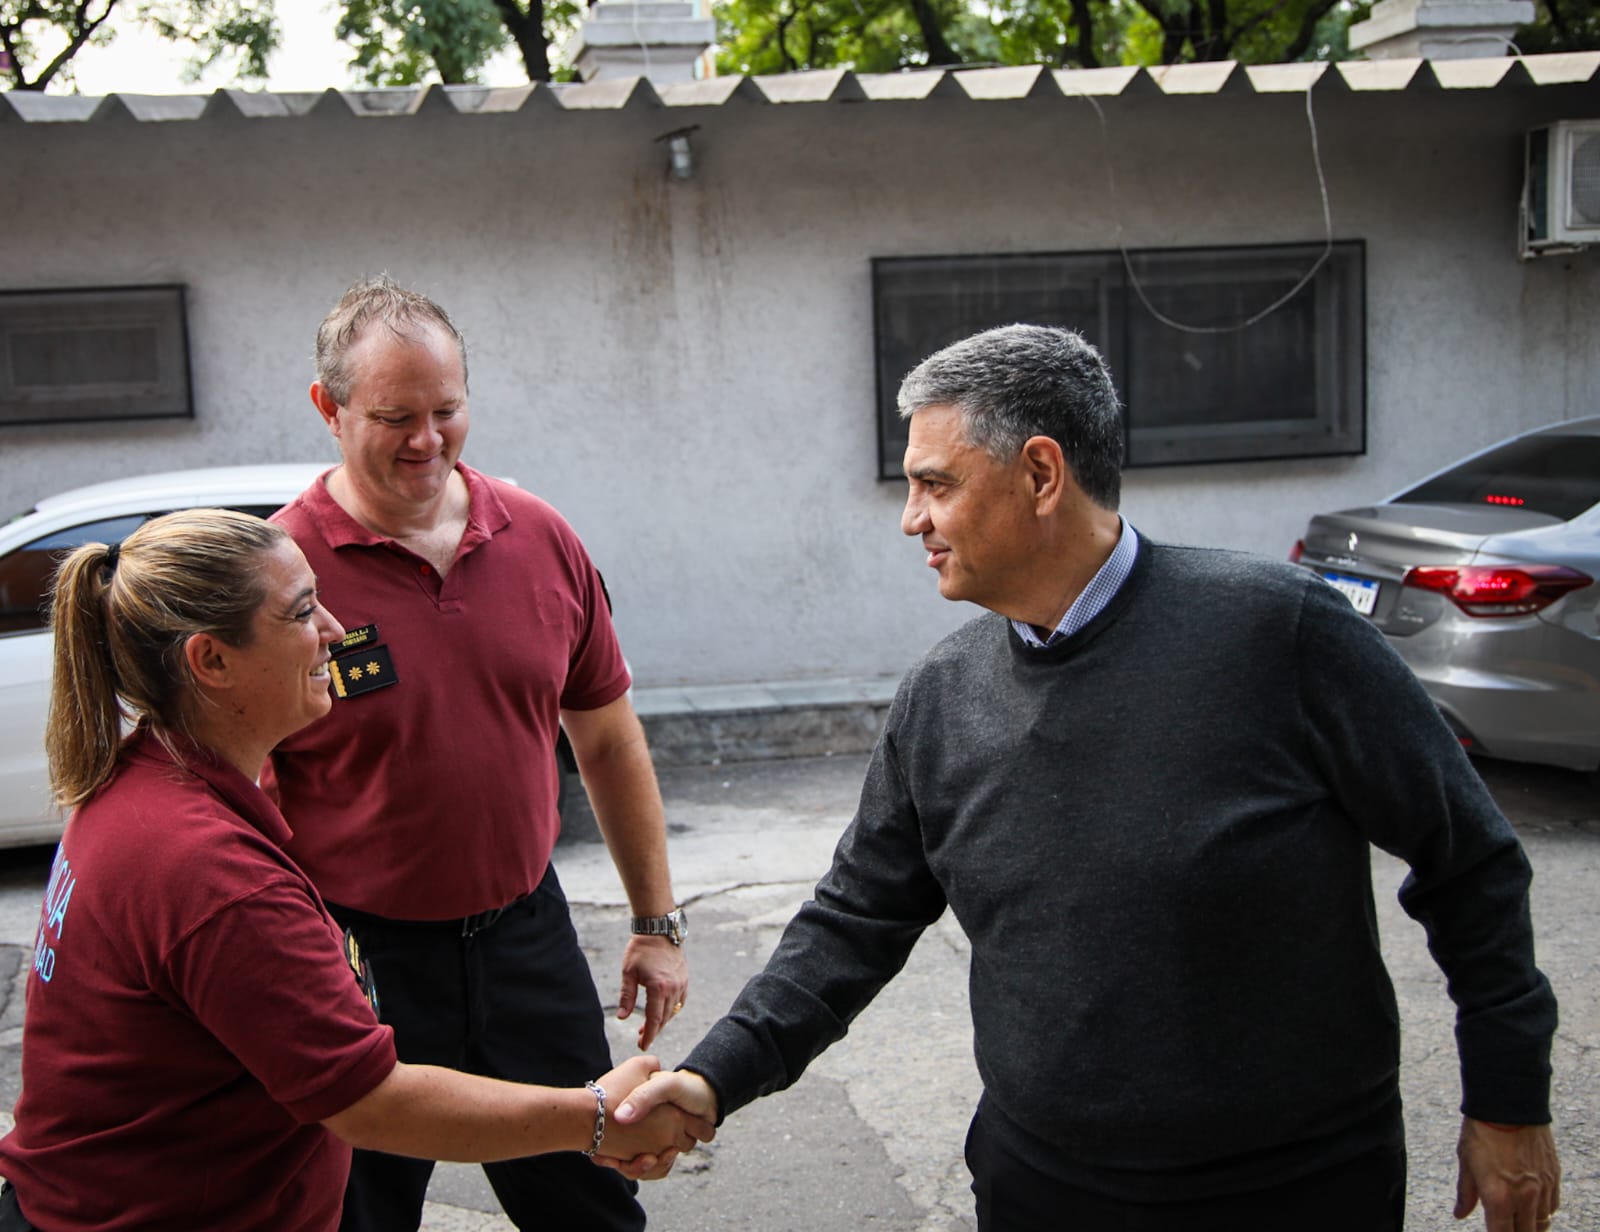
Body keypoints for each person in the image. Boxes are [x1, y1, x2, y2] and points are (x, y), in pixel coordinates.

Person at [612, 324, 1563, 1231]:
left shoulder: (1282, 635)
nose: (912, 520)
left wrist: (1509, 1101)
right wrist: (712, 1078)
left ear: (1039, 473)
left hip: (1294, 1190)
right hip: (1045, 1190)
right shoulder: (942, 697)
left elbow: (1467, 861)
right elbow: (854, 920)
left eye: (935, 485)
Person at [0, 510, 707, 1232]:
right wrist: (595, 1118)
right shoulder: (212, 871)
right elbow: (373, 1104)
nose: (337, 631)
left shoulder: (145, 783)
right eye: (304, 611)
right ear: (210, 661)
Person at [264, 275, 688, 1232]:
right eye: (394, 416)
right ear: (328, 409)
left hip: (523, 938)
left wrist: (658, 923)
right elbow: (246, 793)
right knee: (355, 1216)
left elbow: (610, 740)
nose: (427, 439)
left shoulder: (540, 537)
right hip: (360, 961)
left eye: (446, 410)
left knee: (591, 1205)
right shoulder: (283, 572)